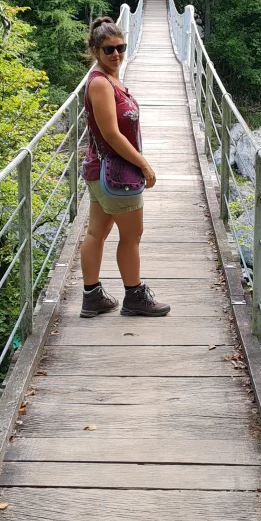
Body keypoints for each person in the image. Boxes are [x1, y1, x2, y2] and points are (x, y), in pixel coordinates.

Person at [79, 16, 171, 318]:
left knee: (97, 232)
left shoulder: (108, 79)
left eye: (121, 47)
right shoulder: (101, 84)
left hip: (100, 170)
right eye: (109, 49)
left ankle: (92, 298)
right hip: (117, 175)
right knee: (131, 237)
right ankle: (134, 296)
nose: (116, 54)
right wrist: (144, 165)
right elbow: (111, 134)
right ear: (95, 50)